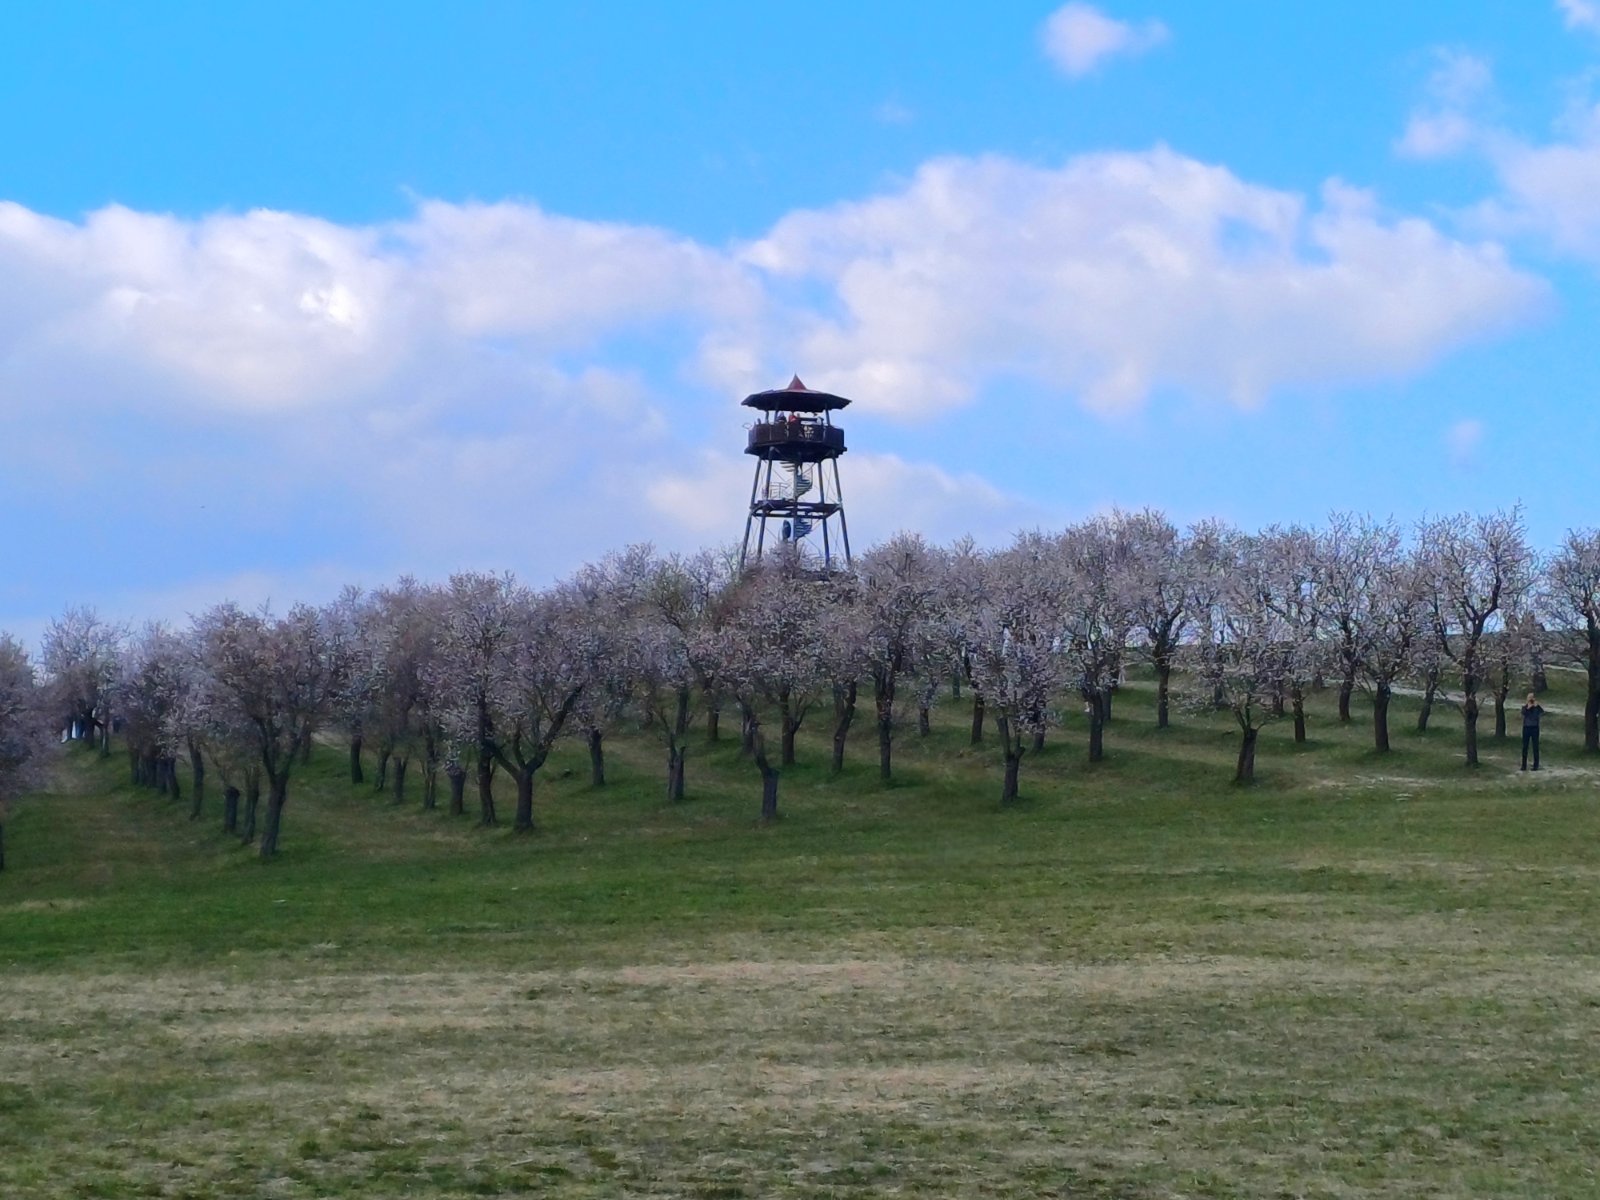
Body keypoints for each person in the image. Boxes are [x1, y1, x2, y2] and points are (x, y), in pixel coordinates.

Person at [1521, 692, 1544, 771]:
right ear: (1527, 699)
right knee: (1525, 747)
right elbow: (1523, 713)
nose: (1530, 699)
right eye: (1529, 697)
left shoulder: (1537, 707)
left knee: (1535, 747)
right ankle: (1523, 765)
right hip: (1526, 728)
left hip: (1535, 728)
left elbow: (1542, 712)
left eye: (1532, 697)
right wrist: (1528, 707)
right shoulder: (1524, 707)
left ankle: (1536, 765)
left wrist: (1537, 706)